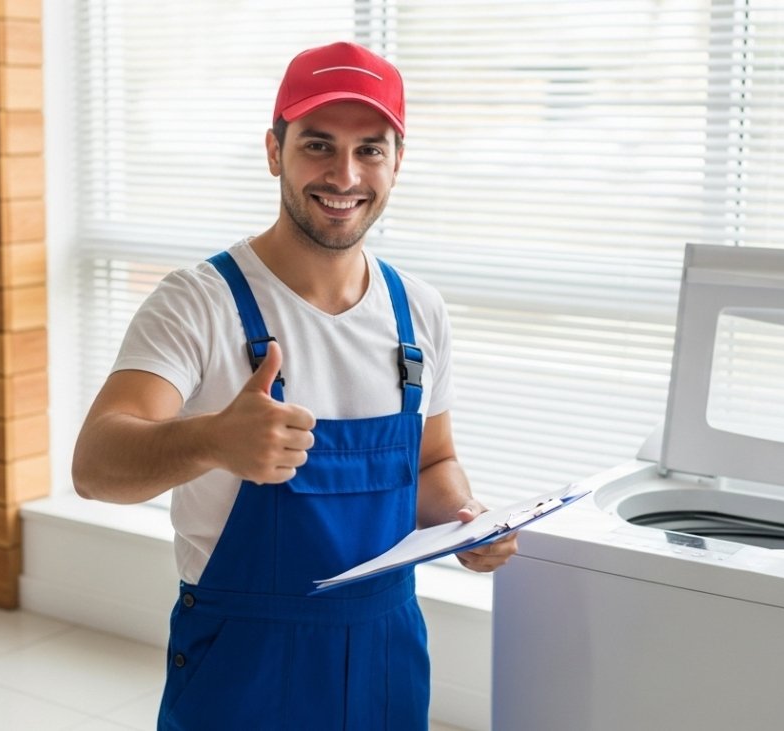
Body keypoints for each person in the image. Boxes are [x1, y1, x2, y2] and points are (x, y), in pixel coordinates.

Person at [72, 41, 518, 731]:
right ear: (274, 149)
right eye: (318, 144)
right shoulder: (200, 301)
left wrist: (467, 519)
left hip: (387, 654)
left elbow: (433, 463)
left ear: (398, 161)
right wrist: (212, 440)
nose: (345, 173)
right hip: (244, 663)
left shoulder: (418, 311)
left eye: (371, 148)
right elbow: (95, 467)